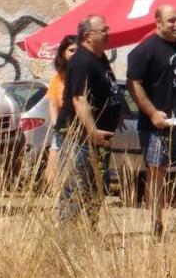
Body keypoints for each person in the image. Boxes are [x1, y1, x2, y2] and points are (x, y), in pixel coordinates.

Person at [127, 5, 176, 237]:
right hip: (156, 127)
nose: (175, 25)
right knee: (156, 171)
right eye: (170, 20)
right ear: (157, 22)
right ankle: (156, 223)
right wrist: (152, 112)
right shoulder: (145, 50)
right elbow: (134, 84)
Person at [54, 14, 122, 225]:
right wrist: (92, 131)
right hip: (79, 138)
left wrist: (118, 112)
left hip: (100, 140)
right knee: (75, 188)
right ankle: (67, 235)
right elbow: (79, 99)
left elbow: (108, 88)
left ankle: (89, 230)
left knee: (97, 187)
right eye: (104, 30)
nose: (108, 33)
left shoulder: (99, 58)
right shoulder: (81, 61)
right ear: (88, 36)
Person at [44, 35, 78, 190]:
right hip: (63, 127)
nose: (75, 54)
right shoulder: (58, 77)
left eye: (79, 50)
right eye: (71, 50)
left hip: (81, 128)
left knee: (74, 164)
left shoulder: (84, 74)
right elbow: (52, 102)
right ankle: (54, 195)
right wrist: (56, 124)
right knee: (54, 159)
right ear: (63, 53)